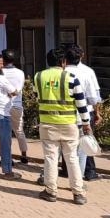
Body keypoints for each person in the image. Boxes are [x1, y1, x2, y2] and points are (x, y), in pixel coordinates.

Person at [36, 48, 91, 205]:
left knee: (50, 158)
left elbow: (37, 95)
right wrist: (86, 123)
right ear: (63, 62)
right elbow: (81, 103)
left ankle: (51, 191)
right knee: (72, 158)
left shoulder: (38, 77)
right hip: (69, 124)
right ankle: (78, 193)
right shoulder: (71, 78)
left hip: (47, 123)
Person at [0, 53, 22, 179]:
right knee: (5, 143)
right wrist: (11, 94)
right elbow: (14, 91)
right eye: (1, 63)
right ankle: (7, 171)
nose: (3, 66)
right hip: (1, 113)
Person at [73, 45, 102, 181]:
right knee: (86, 144)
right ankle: (89, 173)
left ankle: (68, 171)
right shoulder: (87, 71)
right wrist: (97, 113)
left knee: (67, 146)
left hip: (64, 115)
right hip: (85, 113)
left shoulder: (62, 72)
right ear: (82, 55)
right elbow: (94, 96)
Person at [1, 49, 28, 164]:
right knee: (19, 131)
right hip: (17, 105)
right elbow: (18, 89)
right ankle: (24, 155)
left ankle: (8, 157)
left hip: (3, 106)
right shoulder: (20, 73)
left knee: (5, 133)